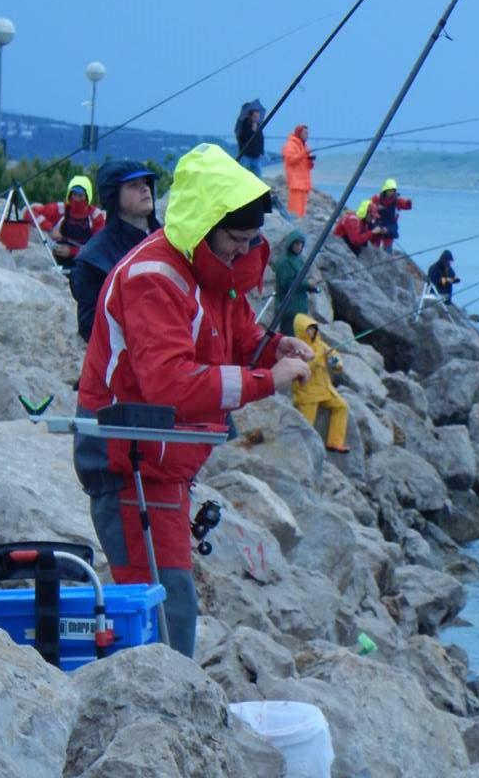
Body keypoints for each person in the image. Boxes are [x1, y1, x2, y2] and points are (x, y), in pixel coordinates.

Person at [73, 143, 312, 657]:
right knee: (163, 598)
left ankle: (164, 695)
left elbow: (234, 332)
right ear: (205, 224)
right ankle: (160, 703)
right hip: (128, 455)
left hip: (162, 457)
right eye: (236, 241)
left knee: (167, 594)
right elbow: (172, 384)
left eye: (251, 244)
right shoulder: (152, 277)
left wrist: (271, 348)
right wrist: (266, 382)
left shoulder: (207, 269)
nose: (241, 254)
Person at [70, 160, 161, 341]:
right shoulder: (93, 259)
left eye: (146, 183)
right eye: (133, 185)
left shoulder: (170, 240)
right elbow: (90, 327)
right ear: (113, 196)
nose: (144, 189)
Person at [291, 312, 349, 454]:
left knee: (342, 407)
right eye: (308, 329)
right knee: (306, 425)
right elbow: (300, 369)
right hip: (307, 394)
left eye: (313, 328)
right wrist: (316, 359)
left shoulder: (321, 345)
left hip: (325, 390)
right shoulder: (297, 349)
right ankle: (303, 452)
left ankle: (335, 442)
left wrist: (335, 362)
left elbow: (335, 357)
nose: (312, 332)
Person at [25, 175, 105, 269]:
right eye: (74, 195)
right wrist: (50, 228)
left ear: (87, 196)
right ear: (69, 195)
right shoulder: (60, 209)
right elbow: (29, 212)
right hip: (57, 260)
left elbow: (99, 247)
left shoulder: (96, 216)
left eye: (81, 196)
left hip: (85, 263)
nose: (77, 199)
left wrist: (72, 251)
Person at [273, 229, 320, 335]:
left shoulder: (297, 259)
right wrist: (307, 284)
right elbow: (285, 284)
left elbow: (300, 280)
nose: (299, 247)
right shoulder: (284, 261)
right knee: (289, 335)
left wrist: (312, 287)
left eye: (301, 244)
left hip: (300, 306)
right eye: (296, 243)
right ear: (291, 243)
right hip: (288, 308)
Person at [369, 178, 412, 253]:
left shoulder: (398, 200)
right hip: (378, 223)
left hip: (390, 225)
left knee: (388, 248)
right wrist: (376, 207)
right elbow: (368, 206)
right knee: (374, 246)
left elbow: (406, 206)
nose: (392, 193)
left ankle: (387, 258)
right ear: (385, 190)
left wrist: (408, 203)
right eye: (390, 190)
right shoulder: (376, 198)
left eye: (393, 191)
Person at [282, 124, 315, 217]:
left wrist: (310, 160)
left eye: (307, 133)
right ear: (299, 133)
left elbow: (308, 166)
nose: (307, 135)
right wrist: (304, 153)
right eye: (305, 133)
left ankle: (299, 226)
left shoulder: (304, 146)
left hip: (303, 183)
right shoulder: (290, 145)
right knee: (295, 212)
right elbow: (290, 160)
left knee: (301, 211)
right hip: (296, 182)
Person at [234, 101, 265, 177]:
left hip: (256, 156)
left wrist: (261, 152)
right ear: (250, 116)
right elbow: (242, 138)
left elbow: (261, 140)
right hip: (245, 155)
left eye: (258, 117)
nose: (257, 118)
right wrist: (252, 130)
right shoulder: (244, 125)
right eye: (255, 117)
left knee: (258, 177)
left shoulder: (259, 126)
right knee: (242, 176)